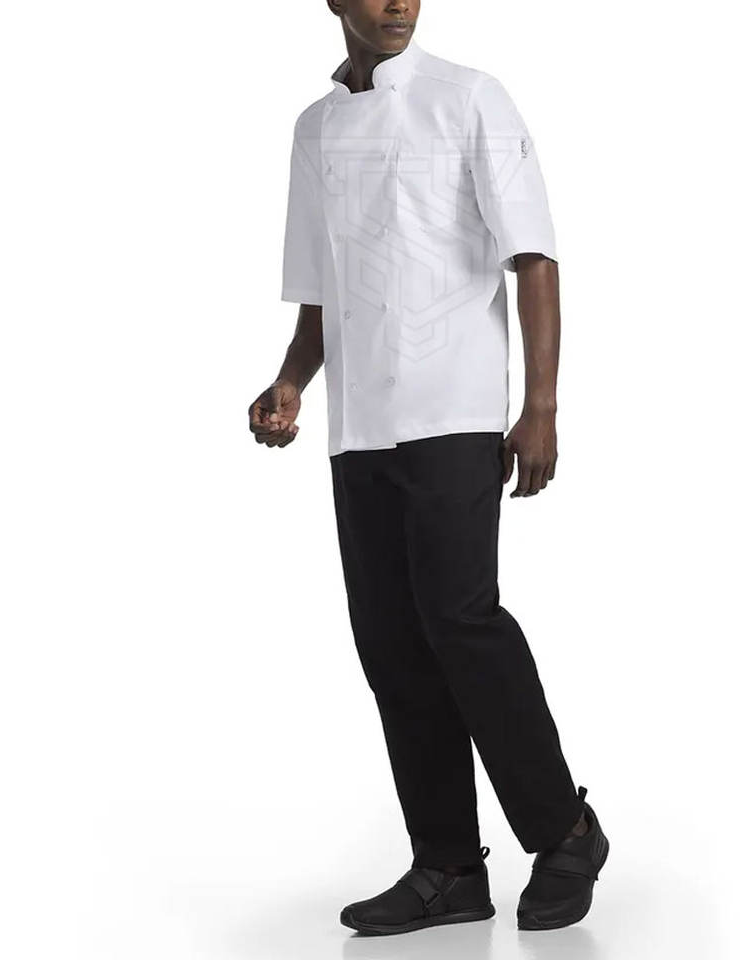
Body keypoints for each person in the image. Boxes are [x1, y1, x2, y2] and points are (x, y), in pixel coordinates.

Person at [249, 0, 609, 935]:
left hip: (453, 409)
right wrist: (289, 381)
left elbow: (534, 255)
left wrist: (540, 404)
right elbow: (323, 290)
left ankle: (565, 831)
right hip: (359, 424)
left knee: (461, 619)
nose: (399, 3)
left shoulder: (470, 98)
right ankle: (447, 866)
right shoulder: (315, 130)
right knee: (391, 643)